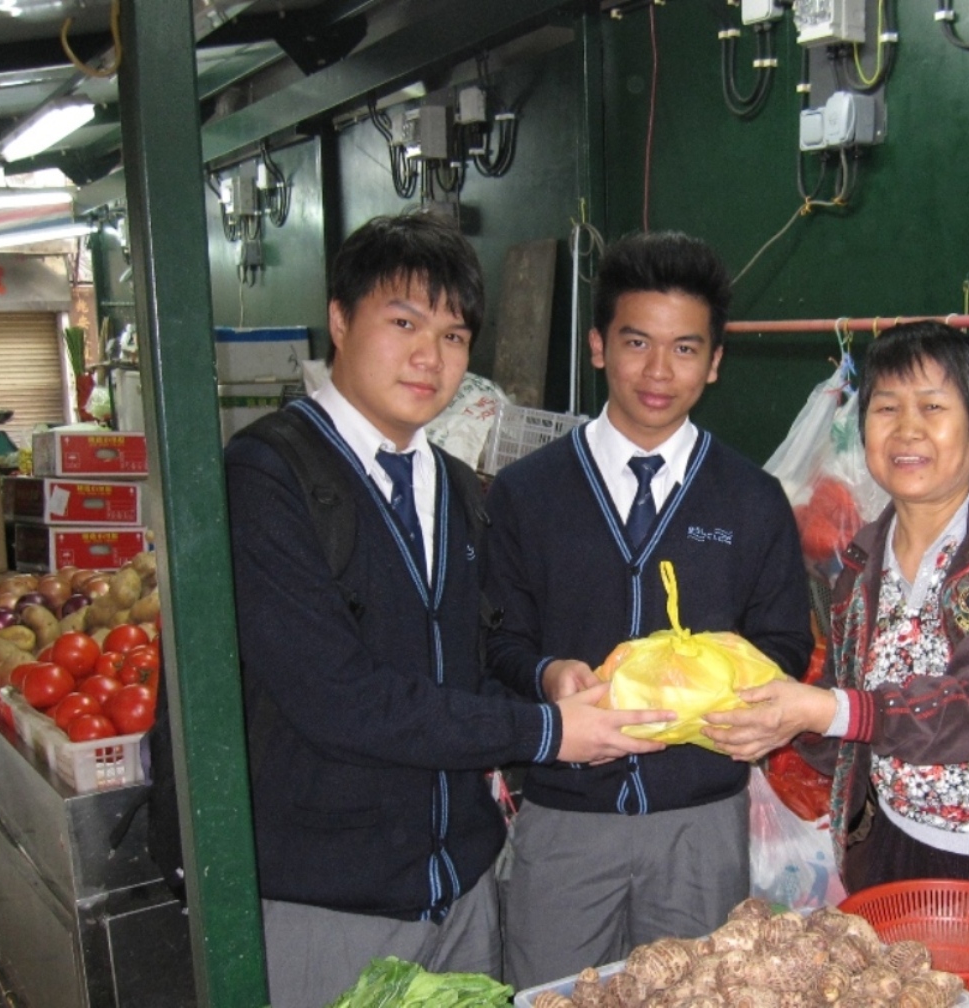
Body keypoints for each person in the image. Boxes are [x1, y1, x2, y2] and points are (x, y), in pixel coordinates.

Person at [224, 212, 673, 1007]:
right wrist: (547, 732)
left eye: (454, 336)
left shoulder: (458, 490)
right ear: (339, 319)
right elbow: (336, 697)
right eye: (403, 323)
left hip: (462, 893)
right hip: (329, 904)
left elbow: (469, 662)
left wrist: (547, 680)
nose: (429, 358)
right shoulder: (268, 478)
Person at [705, 321, 969, 925]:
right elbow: (847, 713)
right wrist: (768, 720)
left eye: (933, 406)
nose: (907, 429)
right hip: (895, 850)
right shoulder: (859, 562)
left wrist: (822, 711)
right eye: (886, 408)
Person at [483, 230, 815, 989]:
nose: (659, 371)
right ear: (599, 346)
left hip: (701, 822)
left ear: (715, 361)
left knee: (698, 998)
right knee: (554, 998)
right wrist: (548, 674)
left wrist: (733, 695)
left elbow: (785, 643)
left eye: (685, 348)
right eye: (637, 342)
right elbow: (496, 641)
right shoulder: (528, 492)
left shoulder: (751, 498)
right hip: (565, 819)